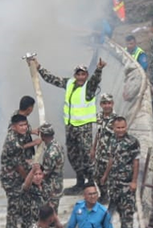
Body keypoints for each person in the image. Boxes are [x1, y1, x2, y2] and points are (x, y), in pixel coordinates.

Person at [34, 57, 106, 193]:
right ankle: (79, 181)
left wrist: (99, 69)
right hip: (71, 127)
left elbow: (96, 80)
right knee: (73, 155)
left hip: (84, 127)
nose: (80, 77)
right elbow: (52, 79)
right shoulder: (69, 84)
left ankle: (90, 183)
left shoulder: (89, 87)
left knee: (86, 156)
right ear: (75, 75)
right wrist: (39, 68)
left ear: (86, 75)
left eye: (83, 74)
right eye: (78, 74)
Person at [99, 117, 141, 228]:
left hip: (127, 182)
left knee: (127, 211)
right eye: (118, 127)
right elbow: (111, 159)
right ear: (113, 128)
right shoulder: (112, 140)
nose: (121, 130)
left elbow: (136, 162)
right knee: (117, 207)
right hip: (114, 181)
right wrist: (105, 175)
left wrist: (134, 181)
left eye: (123, 127)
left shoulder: (132, 142)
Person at [0, 114, 32, 228]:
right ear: (13, 127)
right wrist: (27, 180)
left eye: (25, 125)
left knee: (17, 204)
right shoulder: (13, 141)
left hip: (15, 176)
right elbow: (18, 166)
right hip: (11, 178)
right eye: (21, 125)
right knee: (14, 205)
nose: (24, 128)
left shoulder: (19, 135)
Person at [90, 94, 117, 200]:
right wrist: (93, 148)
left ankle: (111, 197)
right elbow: (98, 132)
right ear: (101, 104)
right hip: (99, 152)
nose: (107, 106)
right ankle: (104, 195)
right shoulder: (99, 117)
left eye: (109, 103)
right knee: (97, 175)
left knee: (108, 176)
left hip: (110, 153)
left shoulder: (116, 119)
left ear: (112, 104)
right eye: (104, 103)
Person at [39, 123, 65, 213]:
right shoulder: (57, 144)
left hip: (51, 186)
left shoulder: (50, 152)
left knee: (50, 211)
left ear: (42, 135)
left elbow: (46, 173)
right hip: (58, 182)